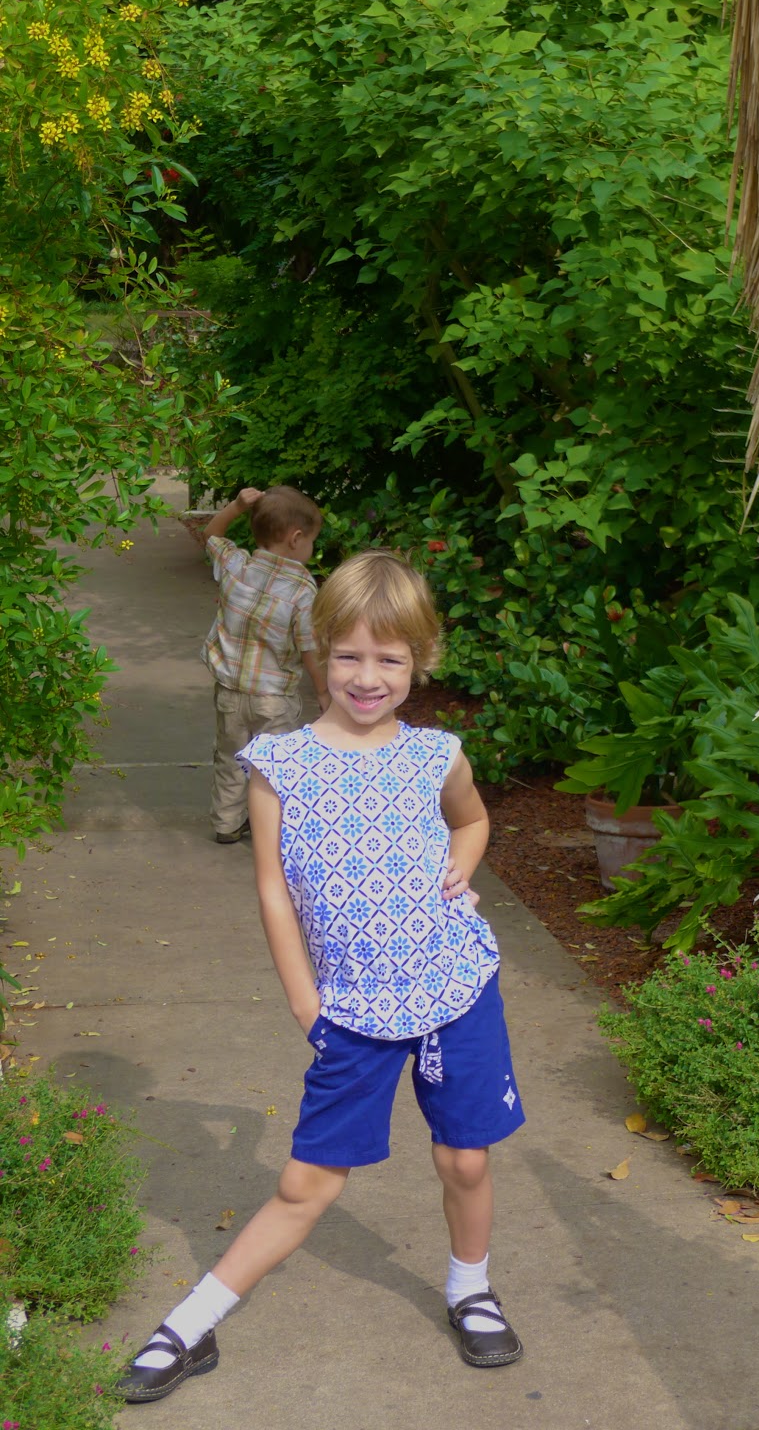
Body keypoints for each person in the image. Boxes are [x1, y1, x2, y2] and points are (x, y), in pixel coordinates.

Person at [118, 550, 524, 1405]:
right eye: (349, 655)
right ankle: (191, 1323)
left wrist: (463, 859)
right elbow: (273, 890)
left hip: (454, 989)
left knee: (465, 1159)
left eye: (390, 659)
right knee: (307, 1182)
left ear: (420, 660)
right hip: (351, 1008)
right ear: (321, 651)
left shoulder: (437, 753)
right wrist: (307, 1004)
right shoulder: (280, 764)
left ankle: (471, 1289)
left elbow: (473, 820)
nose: (367, 677)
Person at [201, 484, 328, 843]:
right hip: (273, 700)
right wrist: (324, 692)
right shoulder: (301, 589)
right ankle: (271, 828)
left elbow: (211, 533)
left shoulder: (236, 564)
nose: (311, 548)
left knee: (229, 758)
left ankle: (226, 823)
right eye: (311, 541)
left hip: (230, 692)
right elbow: (309, 647)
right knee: (275, 765)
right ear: (296, 538)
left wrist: (237, 506)